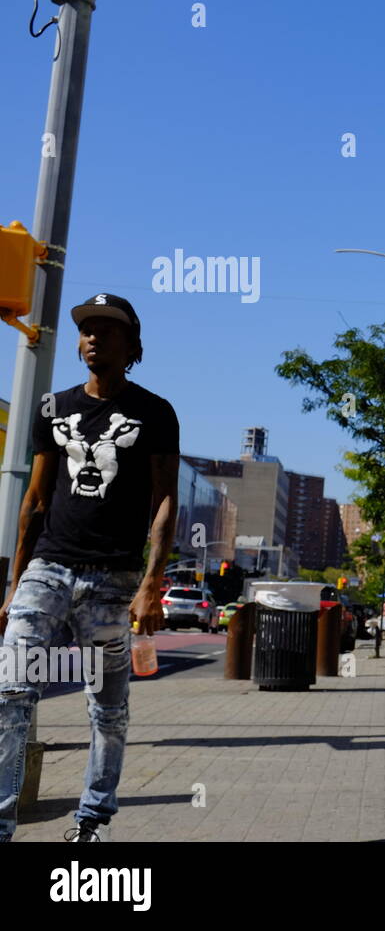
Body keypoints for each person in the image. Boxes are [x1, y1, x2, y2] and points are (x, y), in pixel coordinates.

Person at [0, 293, 179, 843]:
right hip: (48, 568)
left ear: (133, 345)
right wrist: (14, 584)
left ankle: (92, 820)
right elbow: (34, 499)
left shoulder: (155, 412)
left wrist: (151, 584)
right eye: (86, 329)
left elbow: (165, 500)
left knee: (106, 707)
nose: (93, 337)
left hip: (112, 579)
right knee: (11, 691)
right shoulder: (54, 408)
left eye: (107, 329)